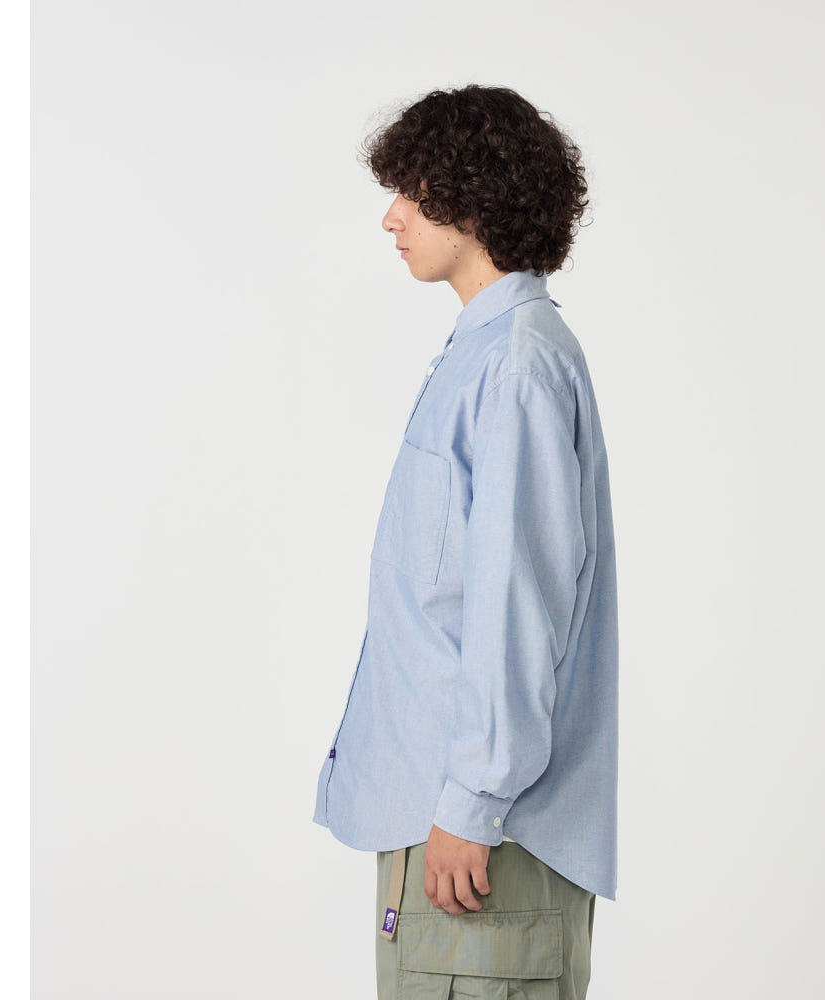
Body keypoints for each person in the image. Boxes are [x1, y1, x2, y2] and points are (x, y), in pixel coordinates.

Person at [311, 83, 619, 1000]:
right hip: (445, 823)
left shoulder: (517, 365)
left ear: (473, 198)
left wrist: (473, 803)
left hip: (482, 836)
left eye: (411, 191)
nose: (391, 217)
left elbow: (518, 607)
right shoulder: (484, 355)